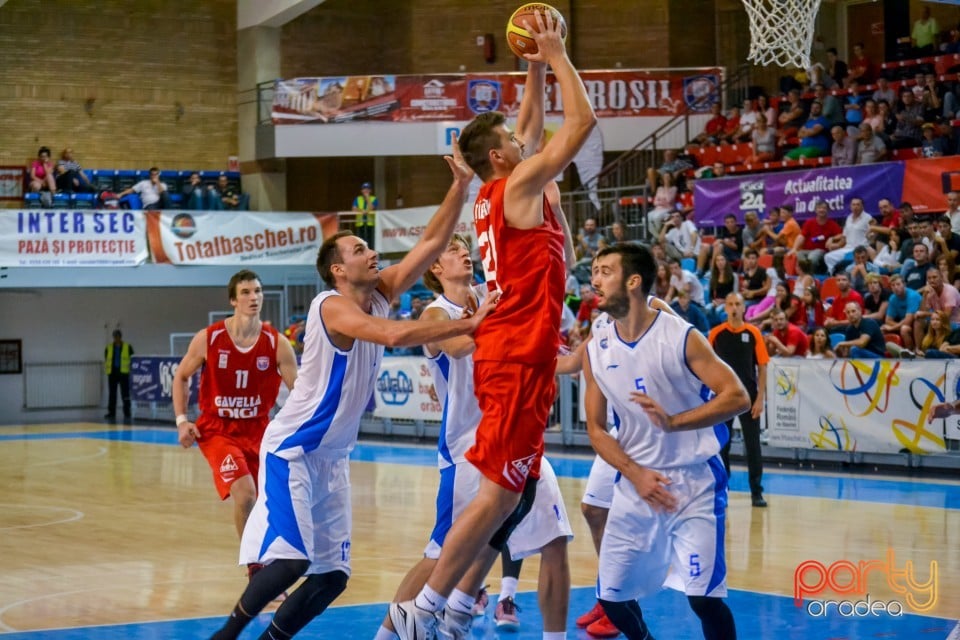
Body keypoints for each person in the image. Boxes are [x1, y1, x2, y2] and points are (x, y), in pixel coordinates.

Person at [207, 138, 496, 640]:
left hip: (333, 456)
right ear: (339, 269)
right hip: (293, 449)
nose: (372, 252)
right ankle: (226, 636)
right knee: (293, 561)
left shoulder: (380, 292)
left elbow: (429, 245)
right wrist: (469, 325)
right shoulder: (329, 306)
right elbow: (395, 335)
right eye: (360, 249)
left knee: (333, 576)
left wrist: (460, 188)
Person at [389, 12, 595, 640]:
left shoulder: (501, 189)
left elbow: (527, 125)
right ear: (503, 156)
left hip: (523, 351)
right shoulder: (516, 188)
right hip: (511, 349)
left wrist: (531, 64)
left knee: (508, 498)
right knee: (493, 497)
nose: (523, 139)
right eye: (514, 140)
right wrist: (558, 53)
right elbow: (580, 125)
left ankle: (448, 612)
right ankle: (419, 611)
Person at [377, 235, 573, 640]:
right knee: (440, 555)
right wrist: (501, 322)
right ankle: (389, 634)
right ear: (435, 267)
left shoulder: (490, 296)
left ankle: (550, 636)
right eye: (452, 249)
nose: (465, 253)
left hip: (517, 437)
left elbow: (560, 264)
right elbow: (459, 346)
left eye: (467, 246)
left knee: (554, 538)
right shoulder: (435, 314)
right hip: (468, 450)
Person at [583, 243, 748, 640]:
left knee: (704, 600)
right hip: (635, 484)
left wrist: (673, 422)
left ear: (634, 281)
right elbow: (596, 429)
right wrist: (634, 473)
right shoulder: (597, 346)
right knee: (613, 598)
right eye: (594, 271)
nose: (594, 279)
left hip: (693, 484)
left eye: (605, 271)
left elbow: (737, 395)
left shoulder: (680, 337)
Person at [171, 270, 299, 577]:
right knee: (245, 493)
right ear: (233, 300)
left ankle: (269, 556)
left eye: (257, 291)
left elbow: (300, 392)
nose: (253, 297)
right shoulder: (209, 338)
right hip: (217, 430)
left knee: (264, 502)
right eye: (245, 292)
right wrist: (182, 421)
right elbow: (181, 376)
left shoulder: (277, 344)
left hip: (258, 430)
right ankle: (256, 570)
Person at [709, 293, 770, 507]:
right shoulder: (716, 334)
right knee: (721, 445)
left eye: (738, 304)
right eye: (730, 304)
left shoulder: (753, 332)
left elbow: (762, 367)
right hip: (723, 397)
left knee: (753, 446)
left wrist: (760, 398)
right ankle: (722, 488)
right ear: (725, 308)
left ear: (744, 308)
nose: (734, 308)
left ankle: (756, 492)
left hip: (748, 396)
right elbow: (707, 366)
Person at [104, 329, 133, 422]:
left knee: (125, 393)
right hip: (112, 373)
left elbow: (132, 358)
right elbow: (106, 358)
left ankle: (127, 412)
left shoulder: (127, 347)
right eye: (115, 337)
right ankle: (111, 412)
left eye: (118, 337)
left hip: (123, 373)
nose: (116, 339)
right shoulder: (108, 348)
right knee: (112, 394)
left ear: (120, 337)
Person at [353, 181, 378, 249]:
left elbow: (371, 208)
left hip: (370, 224)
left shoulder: (374, 199)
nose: (366, 190)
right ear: (361, 190)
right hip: (360, 223)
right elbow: (354, 209)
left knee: (370, 242)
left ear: (370, 190)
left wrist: (367, 198)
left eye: (368, 189)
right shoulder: (357, 199)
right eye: (364, 189)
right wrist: (362, 211)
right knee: (360, 241)